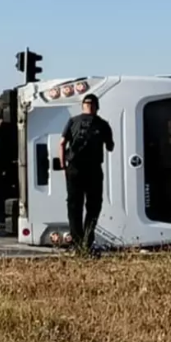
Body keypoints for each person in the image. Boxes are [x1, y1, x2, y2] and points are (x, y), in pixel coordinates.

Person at [58, 94, 114, 251]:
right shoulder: (103, 124)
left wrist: (63, 165)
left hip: (74, 169)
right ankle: (87, 242)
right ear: (96, 107)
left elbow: (61, 143)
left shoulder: (72, 121)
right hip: (93, 170)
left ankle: (77, 243)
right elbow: (110, 147)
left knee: (74, 206)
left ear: (83, 106)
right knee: (94, 206)